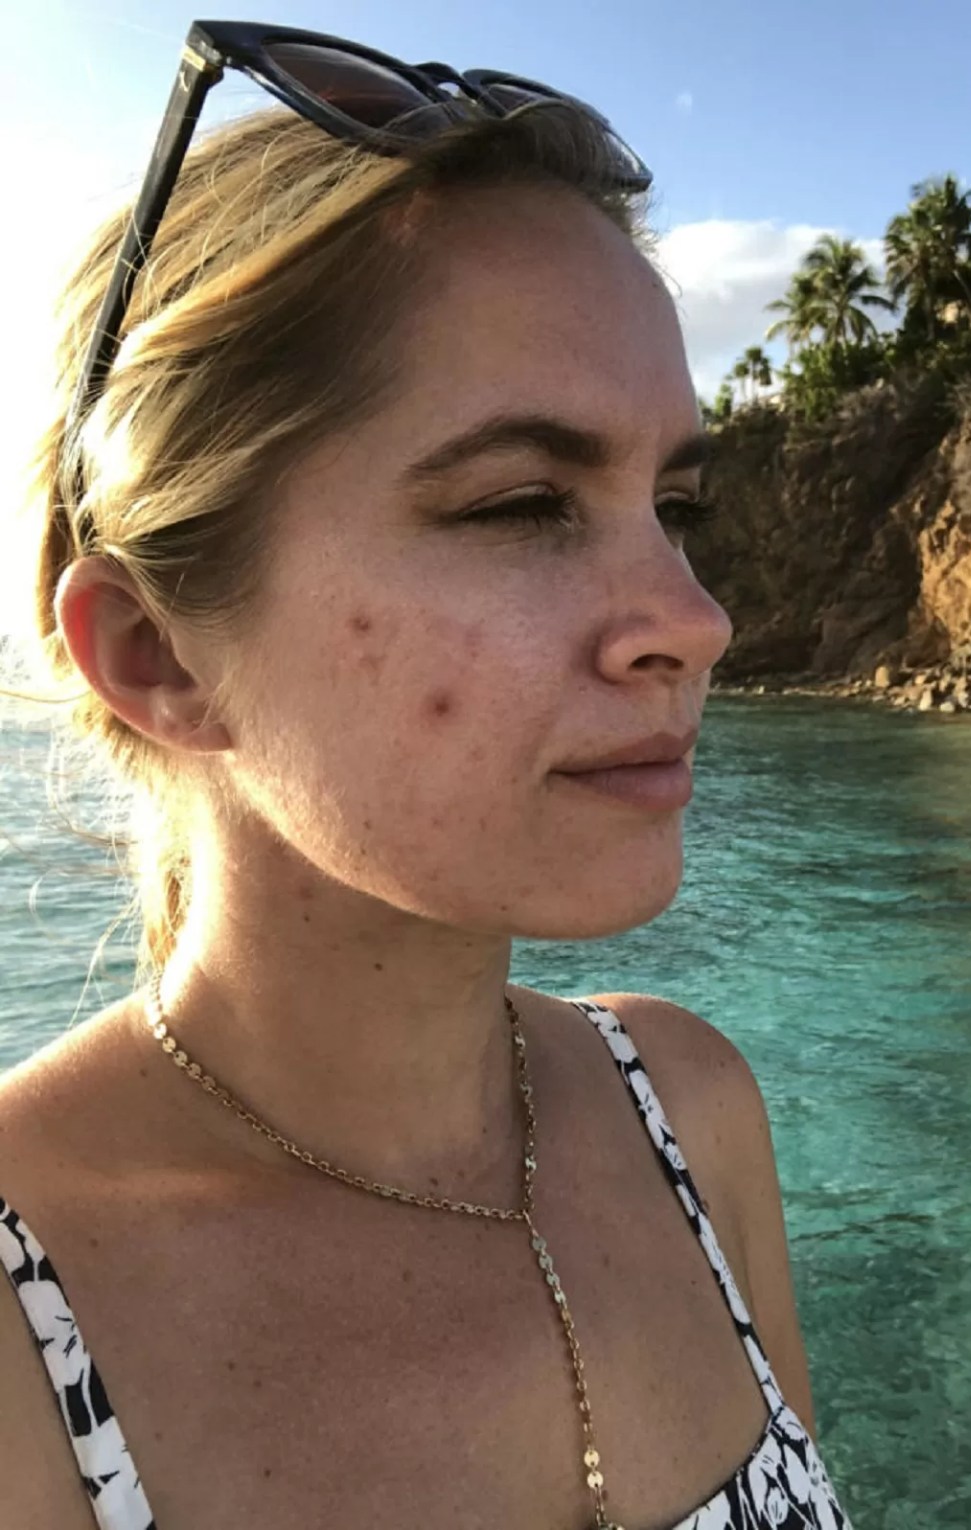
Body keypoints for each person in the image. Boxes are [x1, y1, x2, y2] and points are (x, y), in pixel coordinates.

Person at [0, 21, 853, 1530]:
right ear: (156, 653)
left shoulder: (689, 1111)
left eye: (674, 505)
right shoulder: (27, 1322)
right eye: (523, 504)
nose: (696, 620)